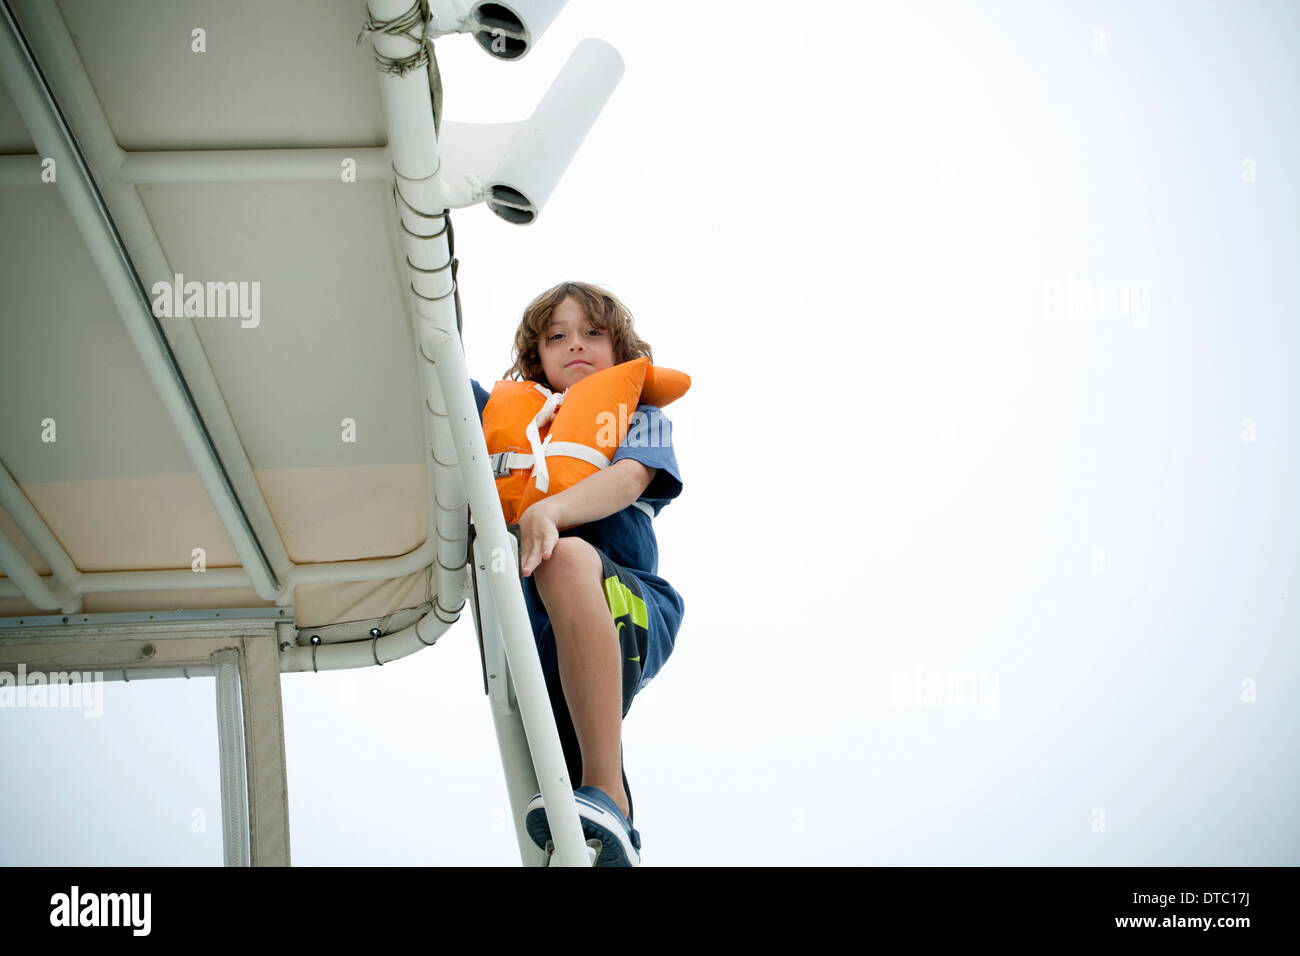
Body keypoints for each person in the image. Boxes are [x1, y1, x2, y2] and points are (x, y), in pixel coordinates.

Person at [469, 280, 685, 866]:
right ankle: (605, 826)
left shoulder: (639, 416)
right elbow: (423, 376)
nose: (575, 346)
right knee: (554, 785)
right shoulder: (499, 416)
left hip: (630, 608)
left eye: (594, 333)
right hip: (534, 630)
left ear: (620, 349)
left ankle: (608, 791)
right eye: (556, 336)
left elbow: (631, 478)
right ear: (534, 356)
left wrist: (551, 510)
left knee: (563, 557)